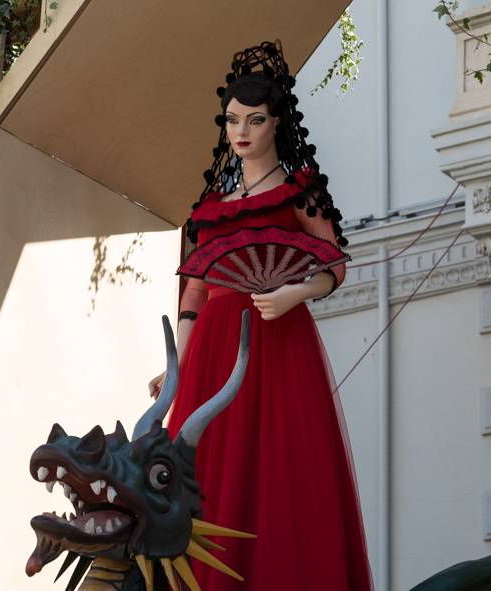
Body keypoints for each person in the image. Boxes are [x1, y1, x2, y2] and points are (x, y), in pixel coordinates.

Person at [149, 40, 373, 590]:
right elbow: (195, 291)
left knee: (281, 471)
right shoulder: (210, 206)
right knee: (207, 472)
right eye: (232, 120)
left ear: (277, 123)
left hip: (280, 338)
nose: (241, 131)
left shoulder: (300, 191)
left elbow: (334, 264)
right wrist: (177, 366)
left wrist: (295, 293)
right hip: (213, 349)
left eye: (254, 120)